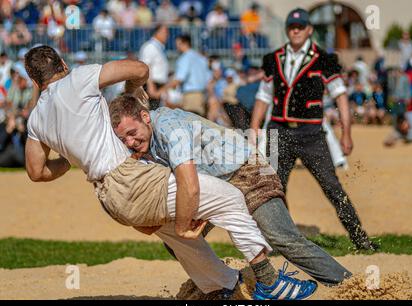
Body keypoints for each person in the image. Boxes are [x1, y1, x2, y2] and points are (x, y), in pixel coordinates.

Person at [23, 45, 317, 300]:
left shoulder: (36, 119)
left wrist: (73, 159)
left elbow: (36, 171)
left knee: (177, 234)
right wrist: (132, 90)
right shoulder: (79, 77)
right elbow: (139, 68)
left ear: (35, 82)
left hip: (110, 200)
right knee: (230, 197)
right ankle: (269, 282)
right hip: (132, 180)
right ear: (62, 64)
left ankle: (222, 286)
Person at [109, 100, 353, 286]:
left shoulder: (168, 126)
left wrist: (184, 223)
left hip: (248, 173)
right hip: (215, 189)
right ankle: (226, 286)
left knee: (282, 238)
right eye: (123, 139)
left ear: (145, 117)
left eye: (132, 133)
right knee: (177, 243)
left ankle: (348, 284)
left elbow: (189, 185)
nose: (130, 142)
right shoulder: (143, 147)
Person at [250, 8, 378, 251]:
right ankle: (283, 240)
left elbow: (340, 96)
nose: (296, 30)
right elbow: (263, 96)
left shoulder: (325, 58)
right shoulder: (274, 58)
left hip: (311, 133)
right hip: (278, 130)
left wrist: (346, 133)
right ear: (288, 30)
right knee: (272, 188)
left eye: (300, 26)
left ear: (309, 29)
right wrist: (255, 127)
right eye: (292, 27)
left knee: (331, 186)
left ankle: (360, 238)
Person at [162, 34, 209, 116]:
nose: (177, 47)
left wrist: (161, 90)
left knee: (192, 124)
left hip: (191, 95)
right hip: (202, 94)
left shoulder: (185, 58)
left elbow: (178, 79)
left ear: (185, 43)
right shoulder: (200, 57)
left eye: (178, 44)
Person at [138, 24, 169, 110]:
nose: (167, 34)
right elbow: (146, 68)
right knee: (151, 113)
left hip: (158, 86)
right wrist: (151, 87)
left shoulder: (159, 48)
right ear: (157, 32)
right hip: (152, 85)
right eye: (165, 32)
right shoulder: (150, 47)